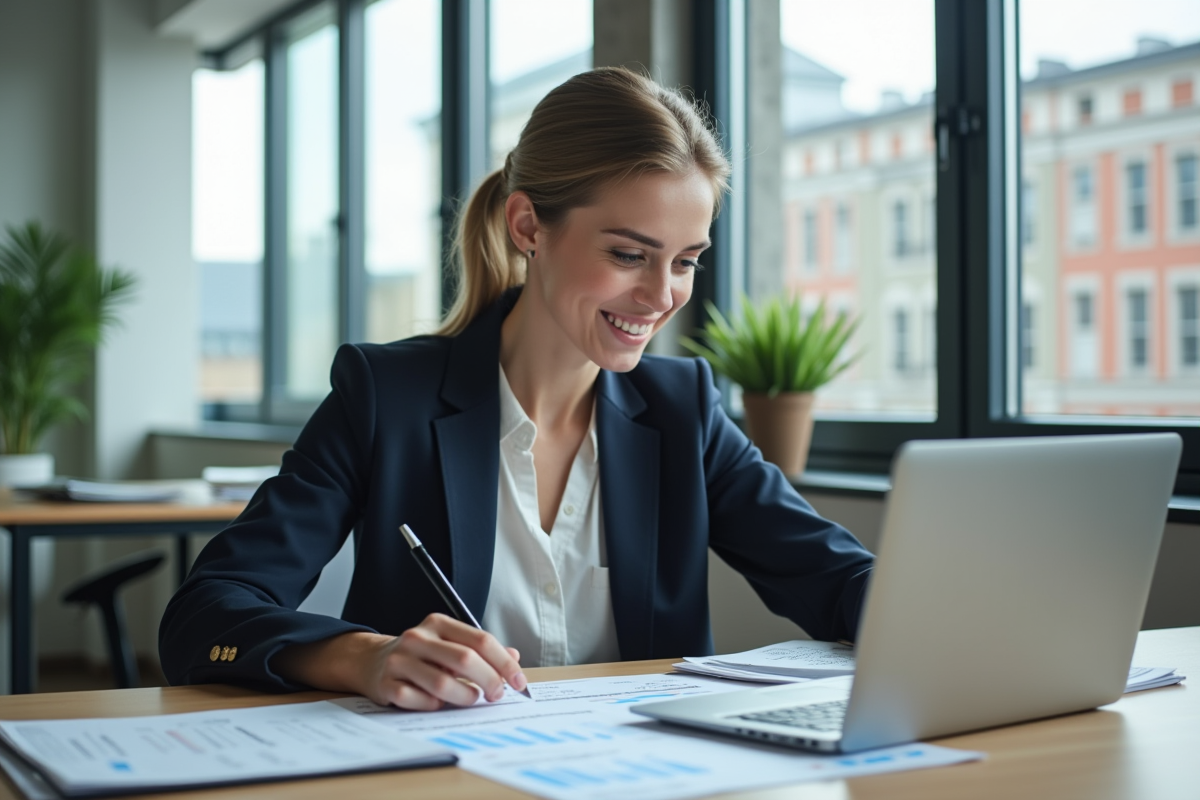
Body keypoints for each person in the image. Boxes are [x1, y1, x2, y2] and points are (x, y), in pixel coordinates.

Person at [159, 67, 874, 710]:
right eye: (628, 254)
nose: (661, 295)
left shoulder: (683, 408)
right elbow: (205, 616)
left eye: (685, 261)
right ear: (529, 224)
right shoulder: (386, 396)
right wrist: (364, 656)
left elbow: (841, 580)